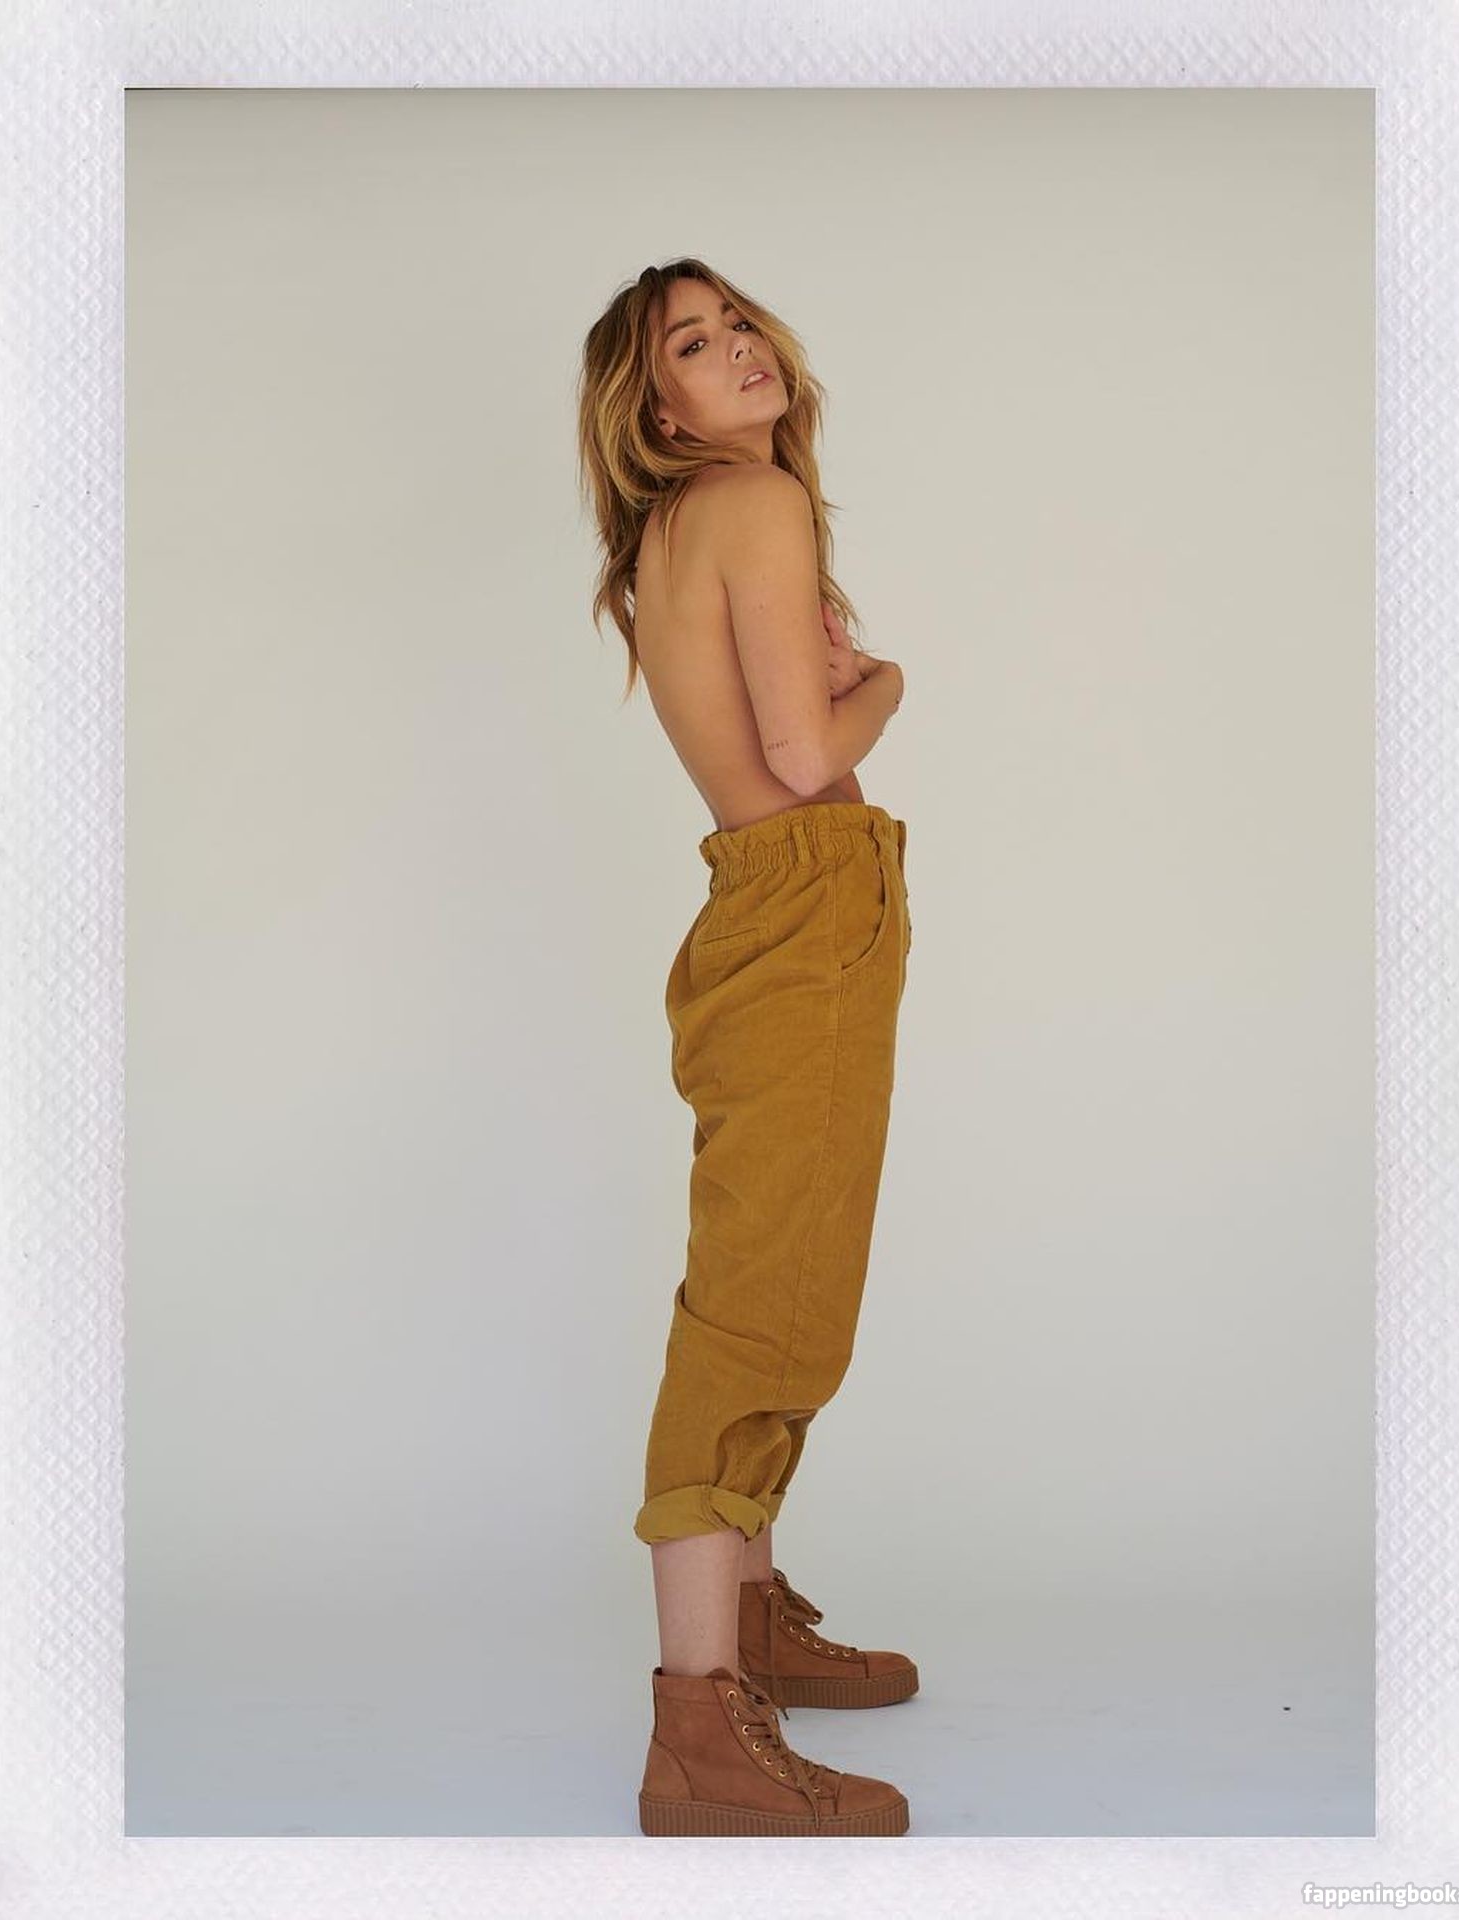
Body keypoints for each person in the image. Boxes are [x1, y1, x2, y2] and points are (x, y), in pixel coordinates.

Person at [576, 258, 915, 1837]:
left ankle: (754, 1623)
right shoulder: (757, 504)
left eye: (735, 324)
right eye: (694, 347)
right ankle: (700, 1733)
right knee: (759, 1307)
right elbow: (800, 750)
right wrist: (887, 684)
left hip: (760, 907)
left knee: (775, 1276)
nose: (738, 351)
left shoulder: (671, 529)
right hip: (804, 900)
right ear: (659, 410)